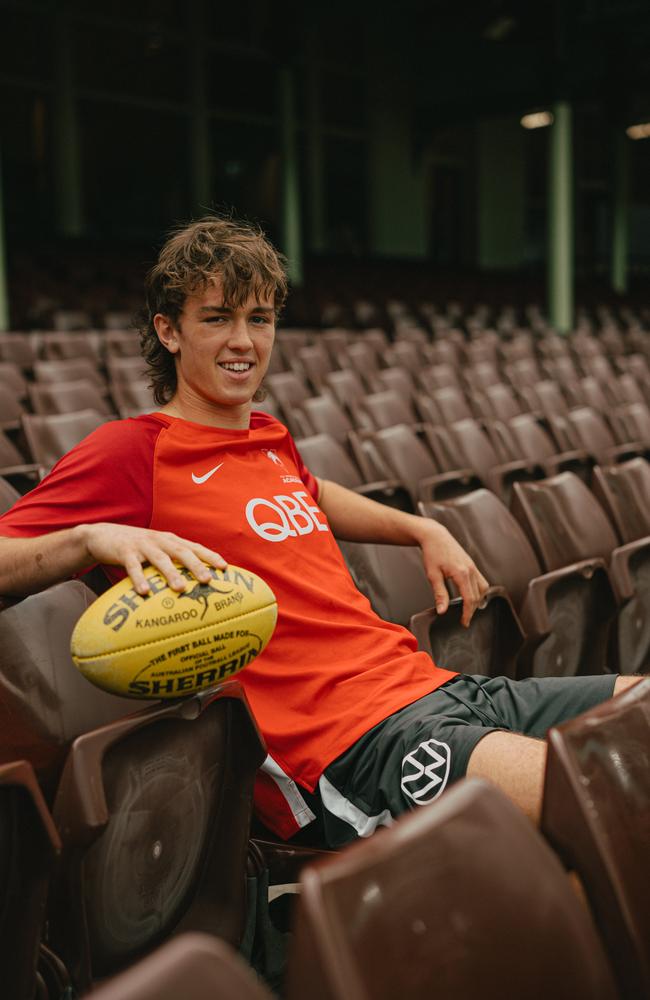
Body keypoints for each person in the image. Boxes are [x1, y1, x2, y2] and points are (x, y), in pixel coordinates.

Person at [0, 216, 639, 848]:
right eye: (217, 317)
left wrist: (420, 528)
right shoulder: (132, 452)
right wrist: (90, 538)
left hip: (435, 688)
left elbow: (317, 495)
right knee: (611, 794)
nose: (243, 340)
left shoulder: (268, 438)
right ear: (168, 331)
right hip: (352, 748)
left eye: (260, 318)